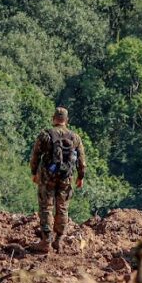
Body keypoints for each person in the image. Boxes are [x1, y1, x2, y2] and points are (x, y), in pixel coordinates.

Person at [29, 107, 87, 254]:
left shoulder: (45, 135)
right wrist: (80, 177)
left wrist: (34, 172)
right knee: (62, 208)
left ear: (53, 118)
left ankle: (46, 241)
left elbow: (35, 156)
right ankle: (59, 241)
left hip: (47, 176)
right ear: (66, 120)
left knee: (46, 207)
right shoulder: (75, 138)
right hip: (66, 178)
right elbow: (81, 161)